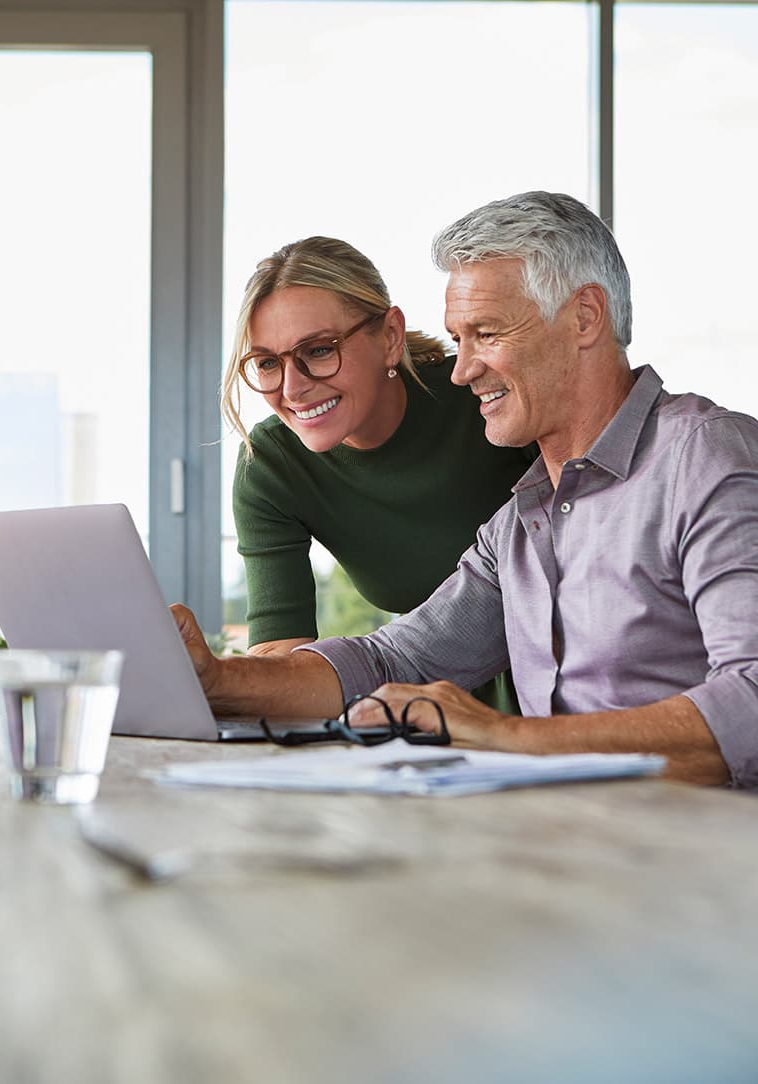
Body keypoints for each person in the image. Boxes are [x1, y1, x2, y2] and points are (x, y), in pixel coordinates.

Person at [175, 191, 758, 788]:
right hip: (568, 847)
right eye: (459, 339)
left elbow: (752, 696)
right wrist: (215, 679)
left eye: (487, 333)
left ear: (585, 317)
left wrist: (506, 737)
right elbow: (391, 660)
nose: (460, 369)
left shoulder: (707, 459)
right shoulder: (523, 521)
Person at [222, 235, 532, 712]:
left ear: (389, 337)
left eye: (320, 350)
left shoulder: (486, 400)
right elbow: (278, 647)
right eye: (267, 363)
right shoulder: (271, 466)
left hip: (559, 689)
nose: (293, 387)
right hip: (423, 706)